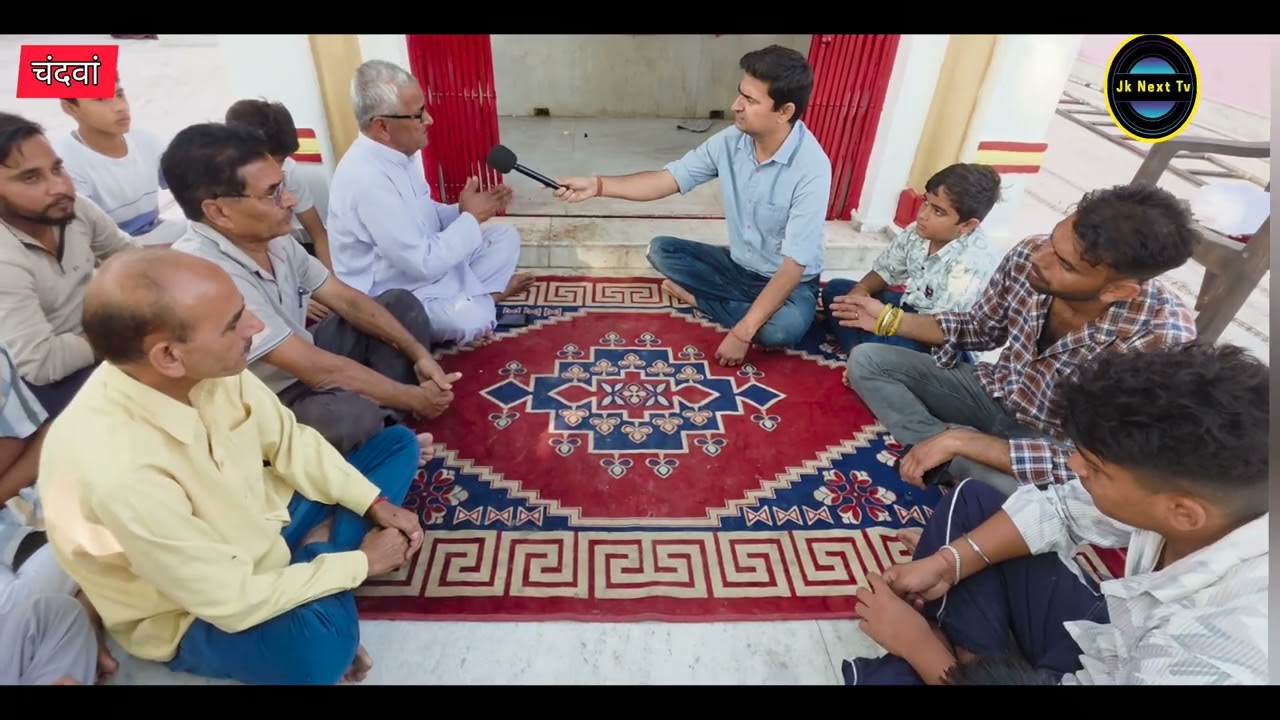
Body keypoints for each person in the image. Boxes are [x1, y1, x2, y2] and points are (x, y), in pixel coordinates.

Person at [39, 246, 428, 686]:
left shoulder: (209, 367)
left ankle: (312, 565)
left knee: (397, 446)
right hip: (191, 608)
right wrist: (359, 563)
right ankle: (322, 558)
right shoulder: (118, 470)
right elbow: (230, 599)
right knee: (321, 651)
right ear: (168, 356)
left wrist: (373, 502)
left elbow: (290, 441)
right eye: (233, 324)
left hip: (267, 525)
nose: (256, 327)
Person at [842, 343, 1269, 686]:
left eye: (1095, 468)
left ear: (1183, 512)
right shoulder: (1198, 507)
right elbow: (1060, 507)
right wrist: (946, 563)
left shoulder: (1226, 650)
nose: (1075, 468)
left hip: (1134, 664)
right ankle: (979, 664)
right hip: (1112, 643)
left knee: (901, 666)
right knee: (971, 504)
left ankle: (959, 662)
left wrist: (920, 649)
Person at [831, 183, 1198, 494]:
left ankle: (953, 452)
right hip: (993, 392)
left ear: (1118, 291)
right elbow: (980, 329)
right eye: (1053, 241)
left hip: (1054, 444)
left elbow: (1103, 466)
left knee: (1054, 501)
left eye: (1065, 265)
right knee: (869, 360)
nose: (1040, 258)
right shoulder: (1030, 255)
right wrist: (891, 320)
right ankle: (948, 453)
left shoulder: (1160, 340)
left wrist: (963, 440)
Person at [165, 122, 459, 456]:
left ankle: (386, 428)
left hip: (302, 360)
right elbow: (317, 369)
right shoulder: (205, 274)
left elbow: (347, 301)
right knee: (347, 418)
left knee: (399, 305)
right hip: (263, 399)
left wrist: (419, 355)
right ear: (218, 212)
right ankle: (382, 434)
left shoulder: (271, 239)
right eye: (272, 193)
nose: (289, 200)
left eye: (284, 185)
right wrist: (414, 398)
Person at [553, 45, 831, 367]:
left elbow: (793, 266)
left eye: (750, 101)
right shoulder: (730, 141)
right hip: (738, 268)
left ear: (785, 111)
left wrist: (741, 334)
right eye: (740, 94)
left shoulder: (811, 168)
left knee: (781, 331)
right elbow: (667, 179)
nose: (735, 106)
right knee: (661, 250)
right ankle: (746, 307)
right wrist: (598, 185)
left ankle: (702, 300)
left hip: (788, 281)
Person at [326, 59, 534, 347]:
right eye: (418, 114)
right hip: (396, 295)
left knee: (505, 236)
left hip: (429, 271)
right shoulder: (367, 179)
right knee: (470, 319)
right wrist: (470, 219)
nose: (430, 120)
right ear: (382, 127)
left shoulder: (400, 154)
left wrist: (462, 210)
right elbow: (421, 263)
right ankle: (488, 298)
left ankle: (478, 296)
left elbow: (426, 217)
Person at [0, 112, 135, 418]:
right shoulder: (4, 260)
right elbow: (41, 363)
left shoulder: (71, 209)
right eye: (30, 177)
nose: (58, 186)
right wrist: (123, 334)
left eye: (57, 168)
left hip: (102, 341)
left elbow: (129, 258)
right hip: (48, 386)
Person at [1, 342, 116, 686]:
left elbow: (36, 436)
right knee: (35, 608)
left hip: (24, 513)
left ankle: (91, 601)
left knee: (55, 614)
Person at [820, 163, 1002, 356]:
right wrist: (860, 291)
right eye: (926, 202)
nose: (923, 215)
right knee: (837, 291)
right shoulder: (918, 231)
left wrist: (886, 320)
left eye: (938, 211)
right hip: (910, 312)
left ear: (967, 225)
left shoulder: (971, 263)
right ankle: (869, 360)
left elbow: (944, 332)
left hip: (944, 344)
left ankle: (869, 360)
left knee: (888, 341)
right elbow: (885, 271)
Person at [53, 78, 187, 245]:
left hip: (156, 233)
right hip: (109, 251)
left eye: (119, 94)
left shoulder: (146, 140)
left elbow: (193, 186)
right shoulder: (64, 163)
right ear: (70, 107)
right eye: (100, 99)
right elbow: (84, 242)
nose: (120, 107)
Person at [225, 98, 334, 276]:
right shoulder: (224, 191)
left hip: (289, 260)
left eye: (282, 160)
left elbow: (319, 236)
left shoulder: (289, 170)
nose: (279, 170)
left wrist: (331, 284)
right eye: (275, 160)